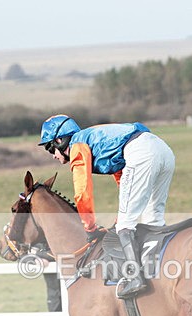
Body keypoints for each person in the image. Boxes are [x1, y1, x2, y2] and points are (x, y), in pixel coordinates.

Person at [39, 114, 175, 298]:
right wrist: (121, 217)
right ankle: (158, 273)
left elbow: (82, 192)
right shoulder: (94, 140)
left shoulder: (77, 146)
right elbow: (121, 179)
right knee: (153, 219)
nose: (52, 155)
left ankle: (135, 278)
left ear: (60, 141)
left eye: (50, 148)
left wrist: (90, 228)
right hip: (162, 149)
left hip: (141, 151)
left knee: (126, 226)